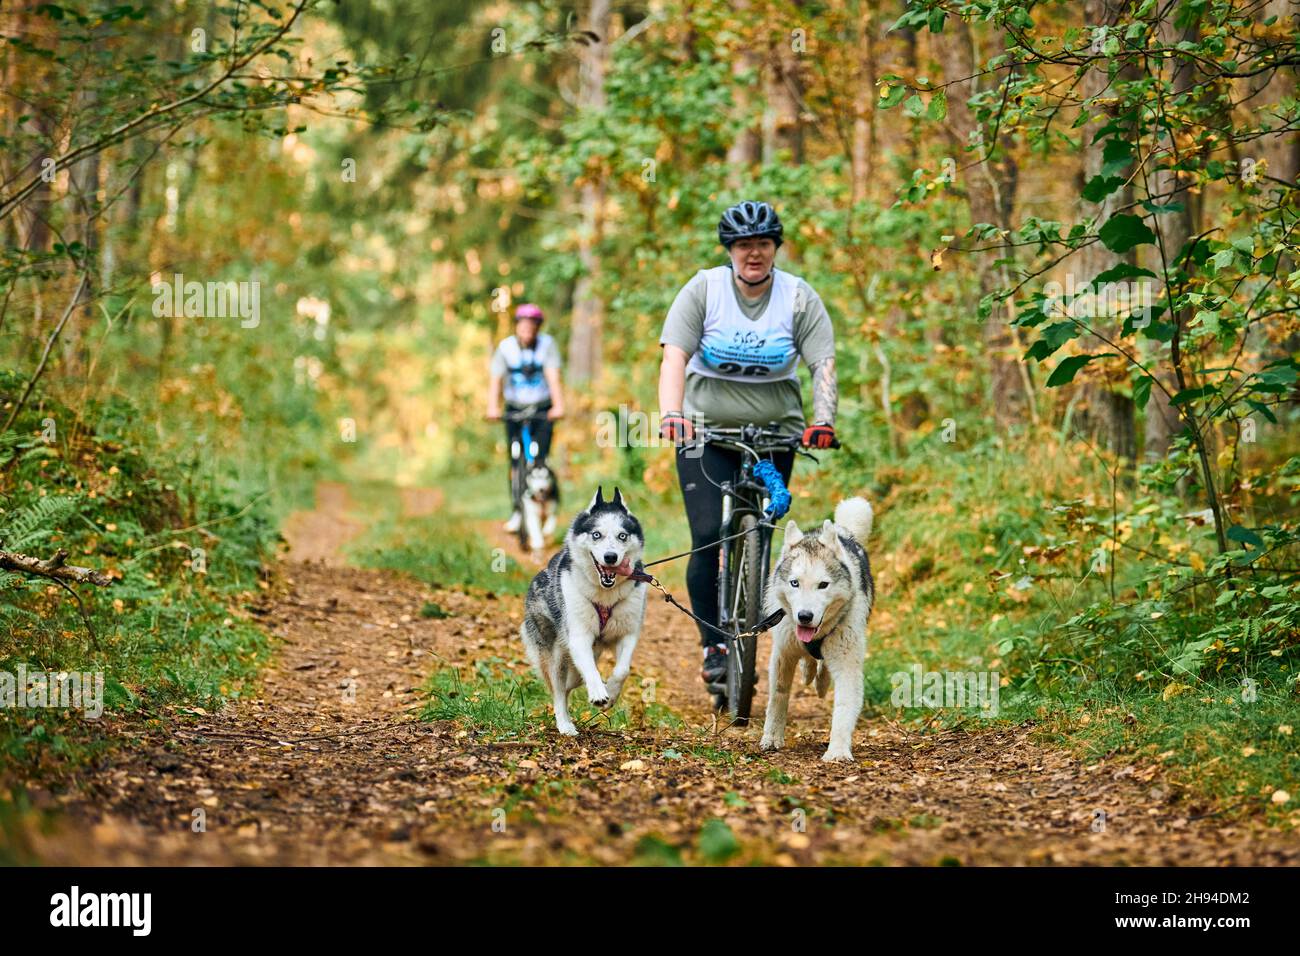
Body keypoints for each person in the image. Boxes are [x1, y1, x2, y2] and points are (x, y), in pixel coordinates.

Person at [656, 200, 839, 693]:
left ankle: (759, 624)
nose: (752, 253)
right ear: (730, 251)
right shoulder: (704, 289)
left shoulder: (799, 298)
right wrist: (672, 414)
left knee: (764, 532)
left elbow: (822, 363)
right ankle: (714, 645)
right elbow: (675, 356)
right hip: (704, 431)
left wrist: (824, 420)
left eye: (762, 243)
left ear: (775, 248)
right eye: (743, 245)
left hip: (775, 431)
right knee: (705, 535)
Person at [486, 303, 565, 531]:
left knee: (541, 460)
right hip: (514, 408)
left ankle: (549, 507)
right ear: (516, 327)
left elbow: (553, 375)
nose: (527, 330)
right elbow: (495, 379)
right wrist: (492, 406)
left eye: (532, 326)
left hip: (542, 407)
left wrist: (558, 405)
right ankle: (517, 511)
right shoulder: (506, 347)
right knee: (515, 461)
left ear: (538, 328)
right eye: (523, 326)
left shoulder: (547, 345)